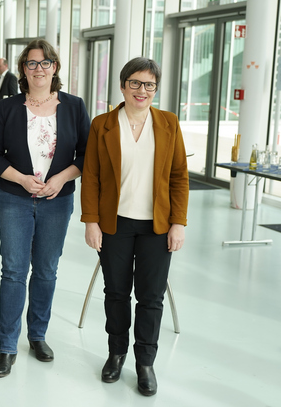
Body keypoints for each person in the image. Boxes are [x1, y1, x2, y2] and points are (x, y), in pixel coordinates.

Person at [80, 57, 189, 397]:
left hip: (157, 226)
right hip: (115, 224)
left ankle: (145, 361)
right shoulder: (103, 125)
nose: (142, 91)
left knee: (150, 296)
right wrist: (91, 221)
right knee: (115, 293)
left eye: (149, 85)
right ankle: (116, 354)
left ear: (156, 88)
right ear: (123, 85)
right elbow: (92, 176)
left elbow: (179, 177)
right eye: (136, 83)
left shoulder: (169, 123)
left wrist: (178, 223)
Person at [0, 39, 91, 378]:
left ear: (55, 68)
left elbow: (88, 155)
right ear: (23, 70)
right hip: (15, 199)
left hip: (56, 202)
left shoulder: (74, 106)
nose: (39, 69)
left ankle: (38, 336)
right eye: (32, 63)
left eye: (45, 63)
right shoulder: (9, 107)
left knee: (46, 270)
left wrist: (61, 178)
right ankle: (7, 347)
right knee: (14, 271)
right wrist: (22, 179)